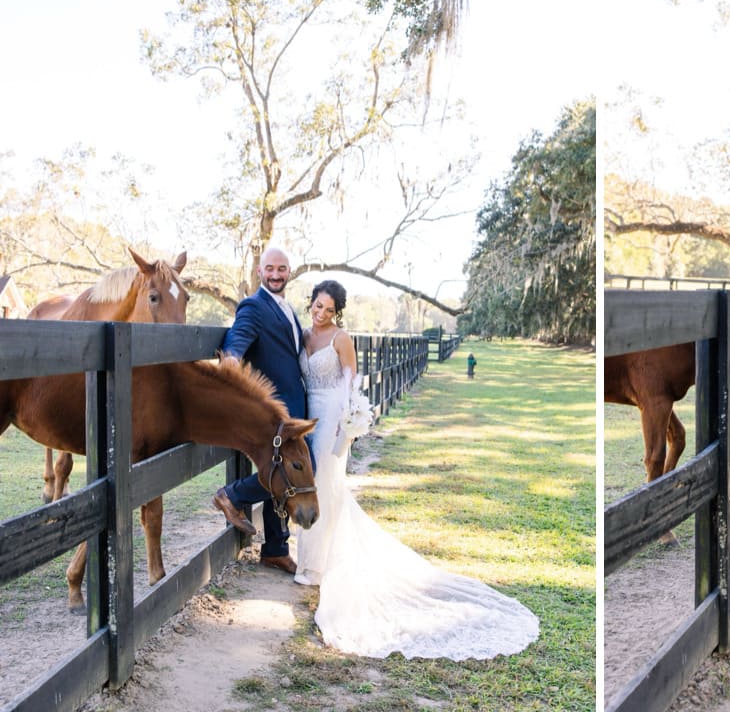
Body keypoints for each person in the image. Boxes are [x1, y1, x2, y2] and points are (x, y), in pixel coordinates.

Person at [293, 280, 540, 659]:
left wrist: (348, 424)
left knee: (325, 487)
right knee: (311, 487)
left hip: (331, 421)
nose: (319, 312)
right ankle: (313, 561)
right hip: (306, 416)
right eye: (316, 305)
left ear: (337, 311)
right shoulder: (305, 334)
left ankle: (315, 569)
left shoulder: (341, 339)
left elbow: (351, 382)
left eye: (327, 308)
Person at [212, 246, 310, 574]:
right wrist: (231, 359)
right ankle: (231, 495)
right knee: (287, 471)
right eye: (270, 268)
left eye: (282, 268)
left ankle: (275, 549)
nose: (276, 274)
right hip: (274, 411)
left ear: (289, 271)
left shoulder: (286, 309)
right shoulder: (254, 306)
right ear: (259, 272)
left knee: (282, 472)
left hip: (293, 407)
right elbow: (238, 338)